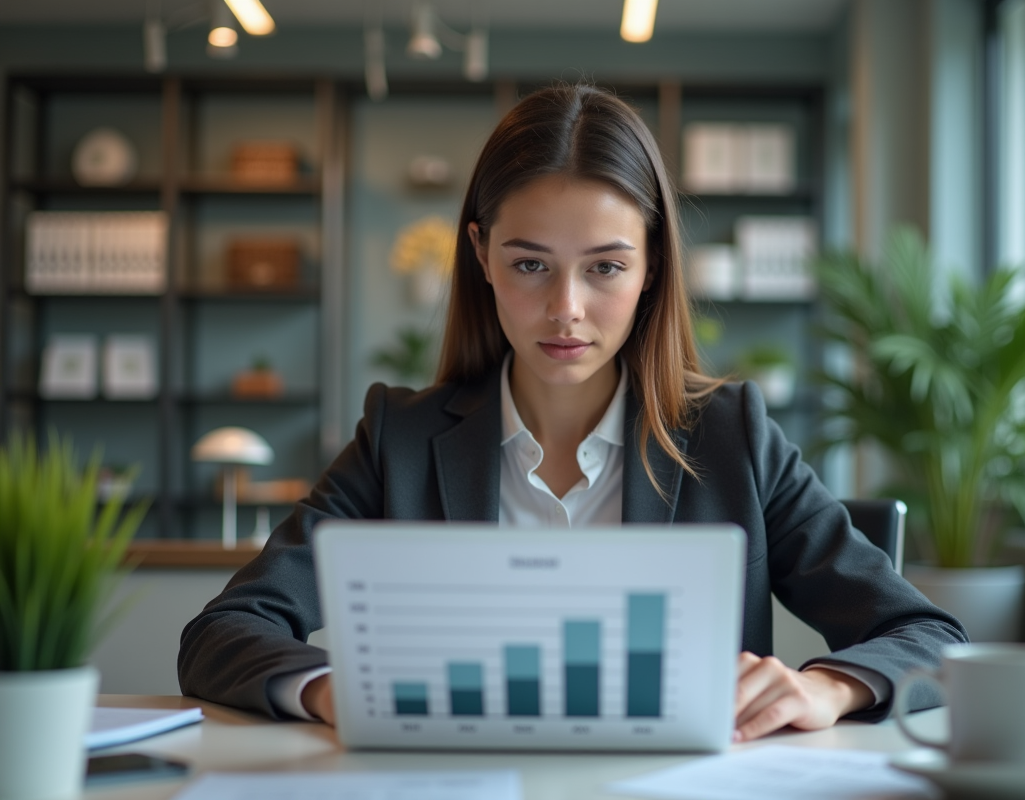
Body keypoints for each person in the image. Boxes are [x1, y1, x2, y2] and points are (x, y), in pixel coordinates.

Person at [179, 83, 966, 742]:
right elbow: (221, 634)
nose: (566, 310)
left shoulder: (733, 437)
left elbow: (930, 638)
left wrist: (828, 688)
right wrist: (328, 690)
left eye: (605, 268)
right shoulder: (402, 439)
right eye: (530, 264)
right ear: (481, 254)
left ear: (652, 265)